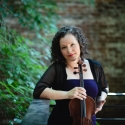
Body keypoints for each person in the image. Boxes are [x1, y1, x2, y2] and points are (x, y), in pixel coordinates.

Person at [33, 26, 109, 125]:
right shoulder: (57, 69)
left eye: (72, 44)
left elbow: (104, 87)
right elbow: (39, 90)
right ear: (59, 50)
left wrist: (101, 99)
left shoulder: (95, 67)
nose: (69, 50)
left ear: (80, 44)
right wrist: (67, 94)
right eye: (64, 47)